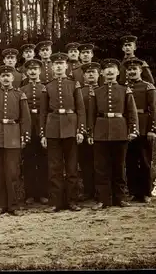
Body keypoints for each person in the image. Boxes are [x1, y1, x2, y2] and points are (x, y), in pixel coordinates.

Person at [88, 59, 139, 210]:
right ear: (102, 73)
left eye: (113, 69)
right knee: (101, 167)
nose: (109, 72)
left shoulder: (125, 90)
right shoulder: (96, 92)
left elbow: (131, 112)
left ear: (118, 72)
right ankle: (103, 199)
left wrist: (133, 130)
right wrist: (91, 133)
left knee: (119, 166)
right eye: (107, 69)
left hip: (120, 131)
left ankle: (120, 198)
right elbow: (91, 114)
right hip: (100, 132)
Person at [40, 52, 86, 213]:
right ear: (52, 67)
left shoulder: (74, 85)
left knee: (72, 168)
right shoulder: (47, 86)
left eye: (61, 64)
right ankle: (55, 202)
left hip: (71, 129)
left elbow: (80, 109)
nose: (59, 66)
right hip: (52, 130)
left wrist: (80, 130)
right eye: (56, 64)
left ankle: (72, 201)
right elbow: (43, 112)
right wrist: (43, 134)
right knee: (55, 168)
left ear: (66, 66)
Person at [0, 65, 31, 216]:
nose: (5, 78)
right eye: (3, 76)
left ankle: (13, 205)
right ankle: (2, 205)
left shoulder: (20, 95)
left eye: (8, 76)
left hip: (13, 134)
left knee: (12, 172)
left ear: (13, 78)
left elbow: (25, 118)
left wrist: (25, 135)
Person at [124, 58, 156, 203]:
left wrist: (154, 129)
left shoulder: (148, 87)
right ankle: (133, 192)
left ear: (140, 71)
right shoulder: (124, 87)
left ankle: (146, 192)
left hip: (145, 128)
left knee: (145, 161)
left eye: (135, 69)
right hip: (128, 129)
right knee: (130, 161)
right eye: (129, 70)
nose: (132, 72)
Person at [20, 59, 49, 205]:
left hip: (42, 126)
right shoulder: (22, 90)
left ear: (40, 71)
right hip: (28, 127)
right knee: (29, 161)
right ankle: (30, 194)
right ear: (26, 72)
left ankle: (44, 193)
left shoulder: (45, 87)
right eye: (30, 69)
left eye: (35, 69)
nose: (32, 71)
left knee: (44, 161)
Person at [77, 62, 102, 202]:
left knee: (100, 163)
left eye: (93, 72)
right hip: (83, 131)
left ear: (99, 75)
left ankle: (101, 191)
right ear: (84, 75)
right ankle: (88, 190)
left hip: (101, 131)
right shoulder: (79, 91)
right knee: (85, 162)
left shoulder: (103, 90)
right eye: (88, 73)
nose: (91, 75)